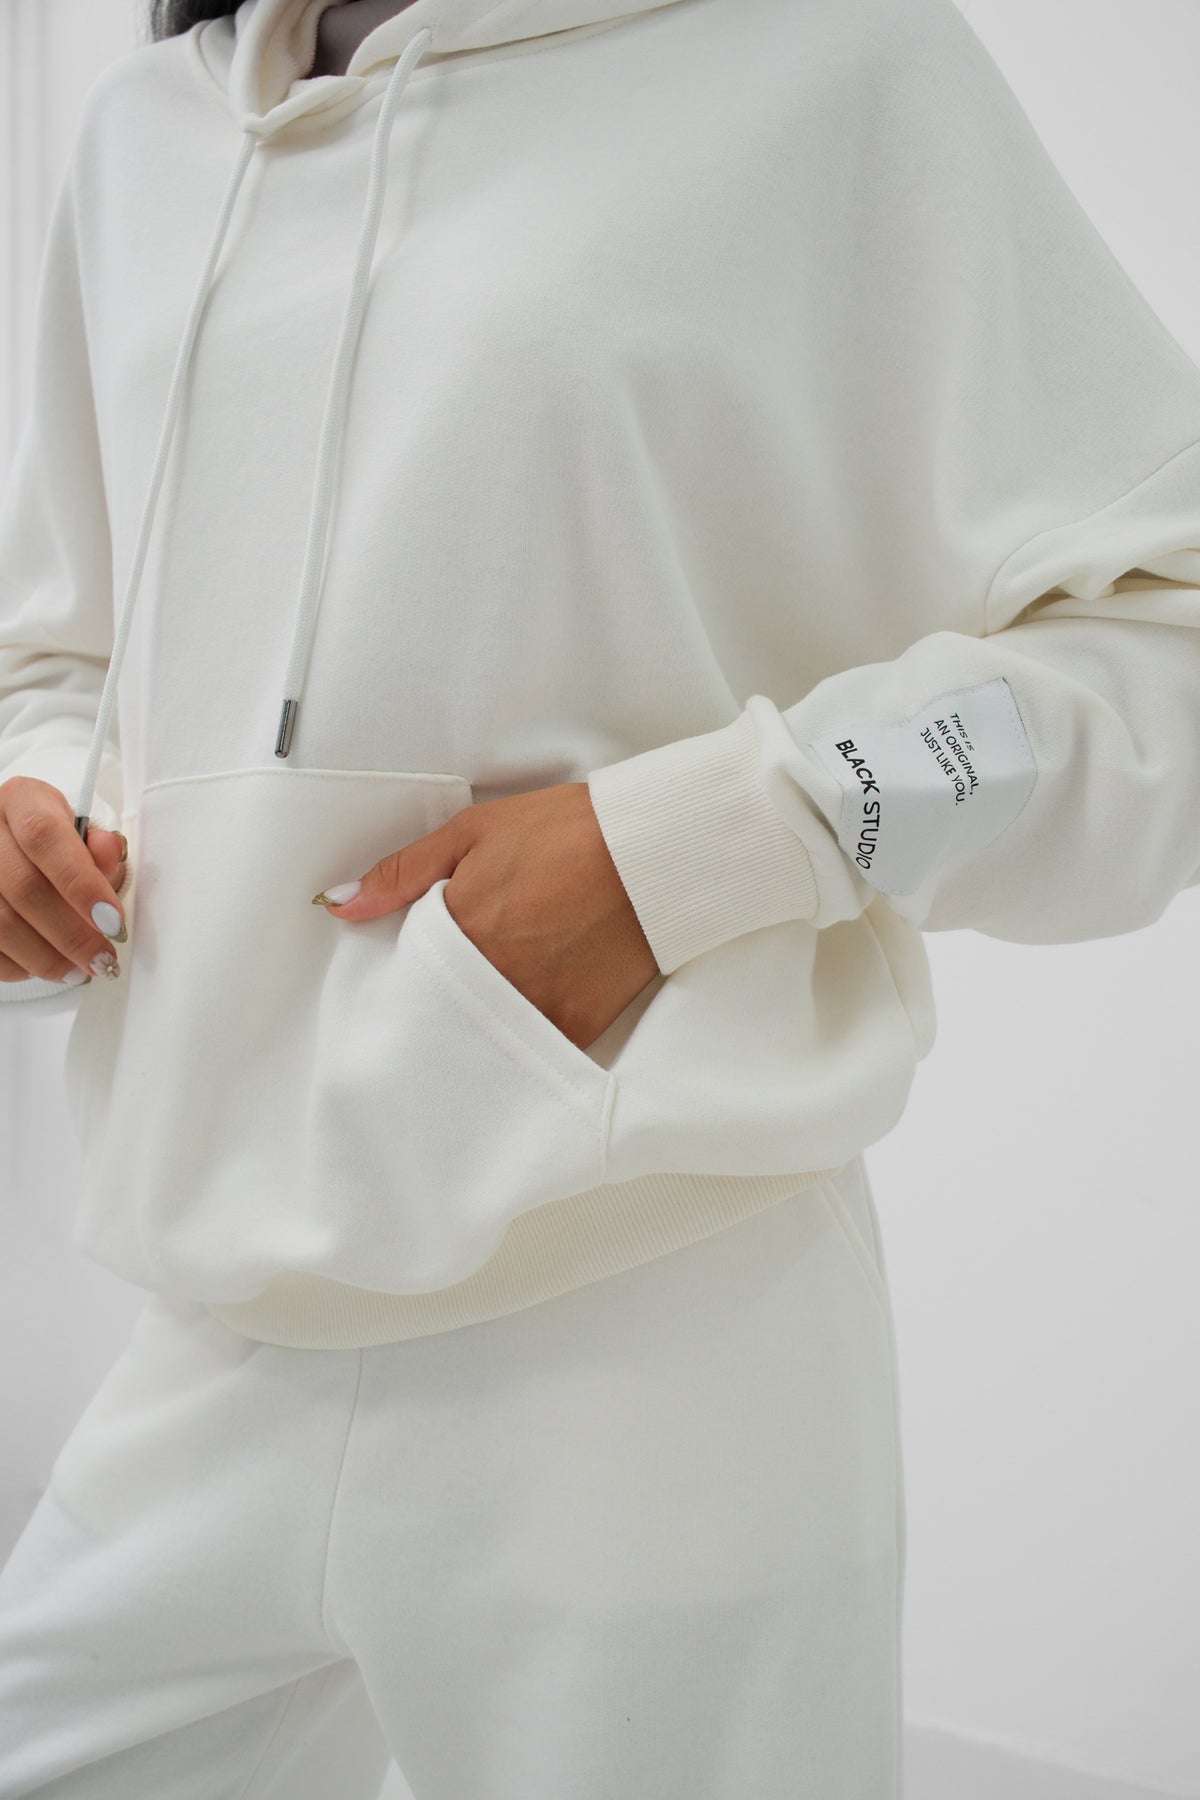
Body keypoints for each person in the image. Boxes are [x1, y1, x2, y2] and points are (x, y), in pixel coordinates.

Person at [0, 0, 1198, 1791]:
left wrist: (688, 850)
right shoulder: (145, 141)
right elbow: (68, 643)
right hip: (219, 1301)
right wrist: (42, 791)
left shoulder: (831, 62)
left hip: (652, 1326)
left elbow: (1169, 638)